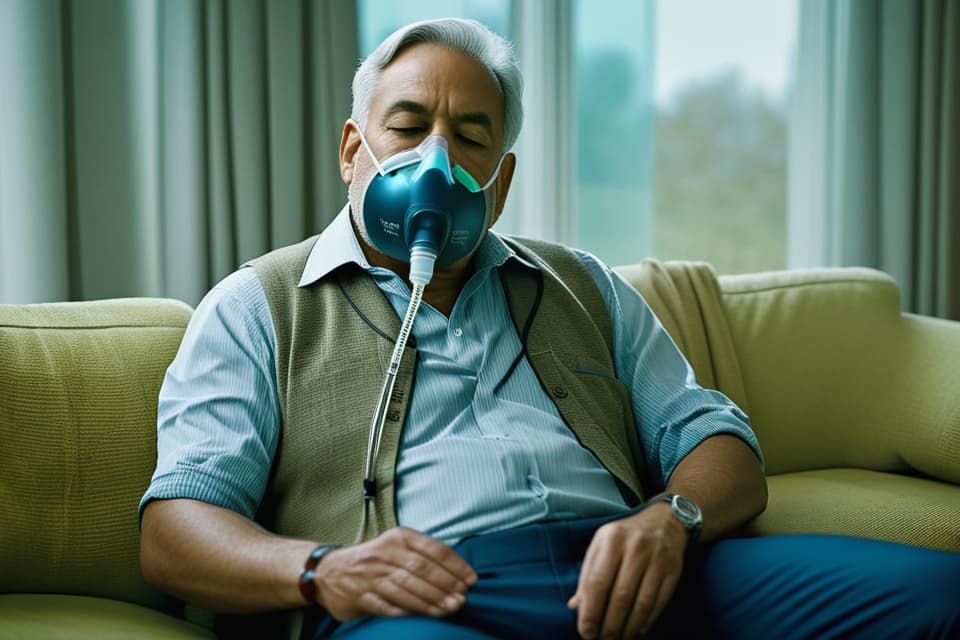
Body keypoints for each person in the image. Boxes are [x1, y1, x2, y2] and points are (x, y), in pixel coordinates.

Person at [140, 17, 959, 640]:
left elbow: (724, 449)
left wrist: (668, 521)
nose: (437, 158)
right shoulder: (257, 305)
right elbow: (175, 530)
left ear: (500, 183)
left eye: (470, 137)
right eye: (407, 125)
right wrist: (322, 572)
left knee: (938, 599)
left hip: (638, 572)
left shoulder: (584, 287)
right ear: (354, 149)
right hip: (432, 601)